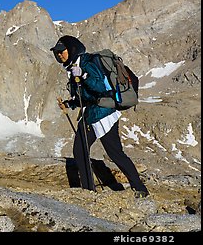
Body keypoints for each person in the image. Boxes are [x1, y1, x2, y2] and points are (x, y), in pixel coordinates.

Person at [50, 35, 149, 198]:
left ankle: (140, 188)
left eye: (62, 51)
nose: (59, 55)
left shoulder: (87, 63)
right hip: (91, 113)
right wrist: (69, 104)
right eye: (57, 53)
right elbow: (83, 97)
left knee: (115, 153)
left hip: (104, 114)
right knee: (80, 150)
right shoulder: (74, 67)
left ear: (72, 49)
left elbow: (100, 87)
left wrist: (83, 76)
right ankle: (88, 191)